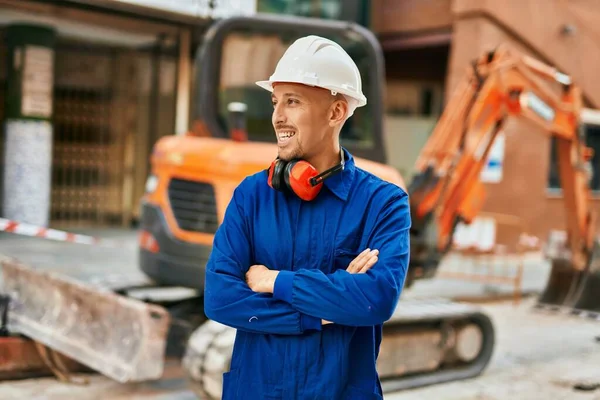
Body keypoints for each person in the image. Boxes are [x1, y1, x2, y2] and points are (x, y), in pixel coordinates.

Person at [204, 35, 411, 400]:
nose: (277, 116)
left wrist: (273, 280)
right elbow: (221, 298)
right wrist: (322, 311)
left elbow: (375, 298)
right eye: (275, 101)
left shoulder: (384, 203)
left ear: (336, 112)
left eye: (293, 101)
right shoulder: (251, 196)